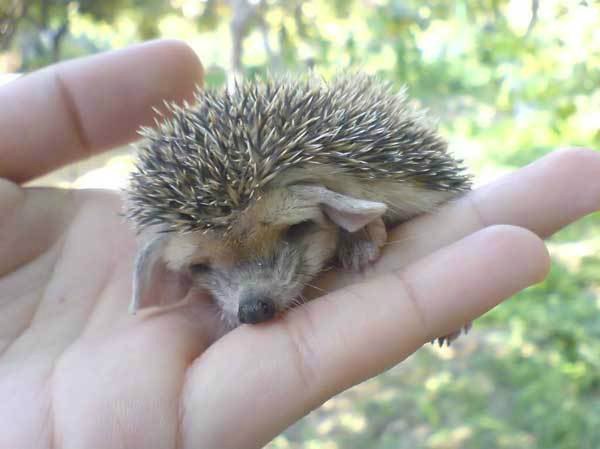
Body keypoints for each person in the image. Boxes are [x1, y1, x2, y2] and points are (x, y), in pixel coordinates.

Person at [0, 40, 598, 449]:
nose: (250, 301)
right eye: (209, 270)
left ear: (342, 207)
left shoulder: (377, 183)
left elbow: (438, 197)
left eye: (289, 233)